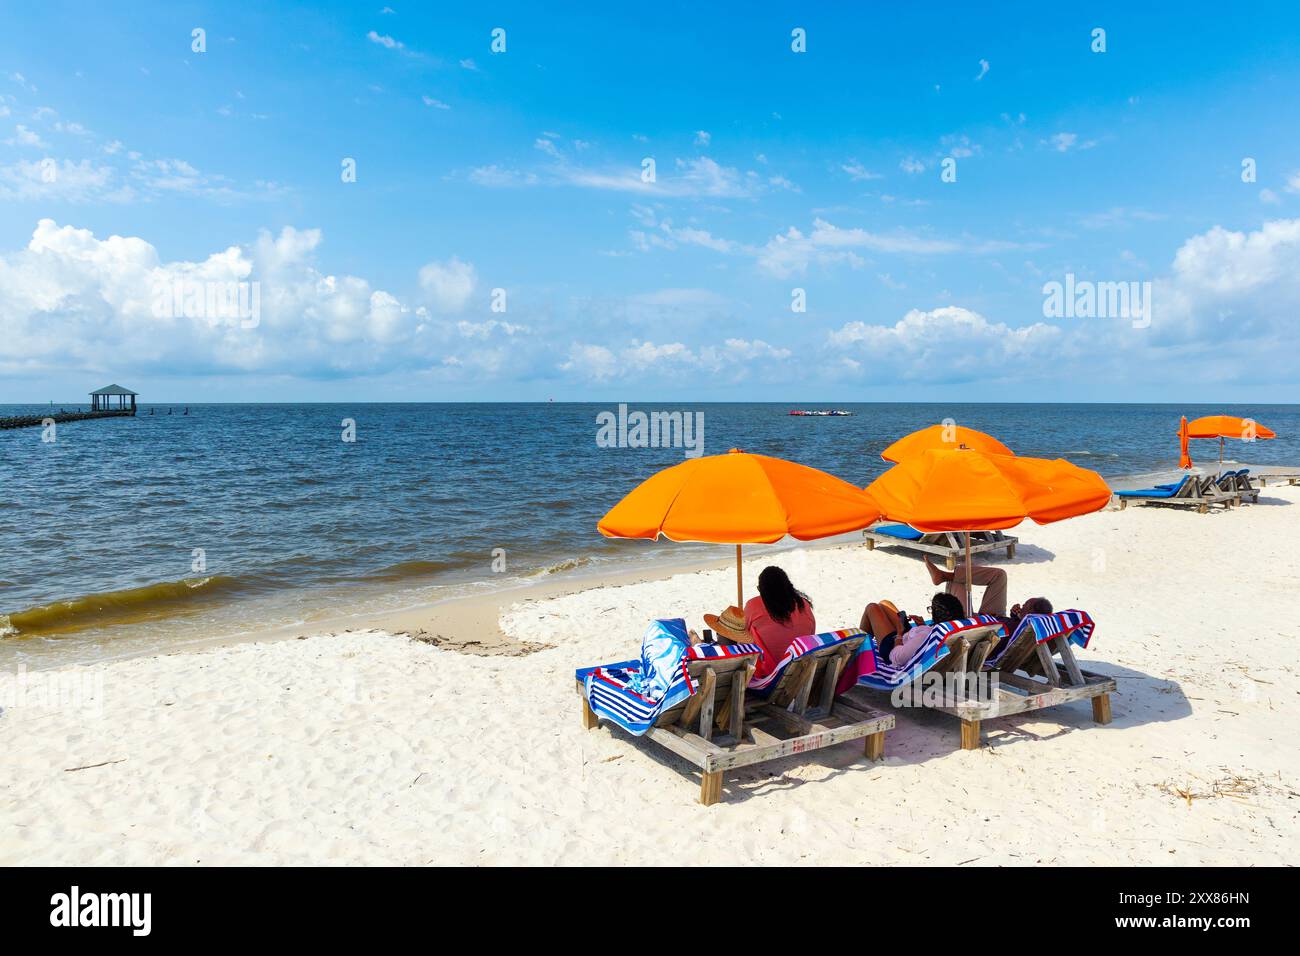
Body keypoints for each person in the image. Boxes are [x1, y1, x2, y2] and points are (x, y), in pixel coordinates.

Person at [741, 566, 816, 679]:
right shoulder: (804, 605)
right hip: (799, 673)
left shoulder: (754, 605)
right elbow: (811, 634)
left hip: (767, 677)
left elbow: (741, 635)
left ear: (762, 589)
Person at [861, 592, 966, 667]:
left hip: (893, 648)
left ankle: (858, 653)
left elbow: (896, 658)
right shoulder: (951, 629)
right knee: (884, 603)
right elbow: (924, 640)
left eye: (931, 609)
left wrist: (899, 634)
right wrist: (923, 626)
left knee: (872, 608)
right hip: (911, 639)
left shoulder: (926, 634)